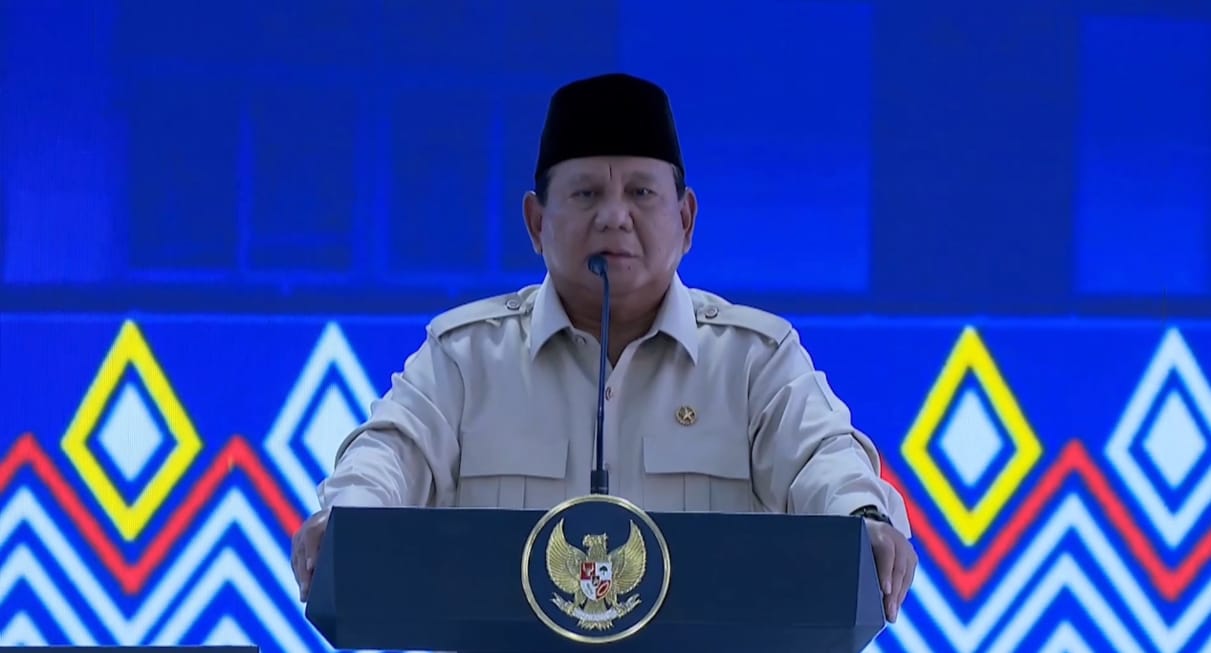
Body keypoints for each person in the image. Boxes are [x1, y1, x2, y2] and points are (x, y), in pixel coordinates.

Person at [291, 72, 916, 622]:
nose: (614, 216)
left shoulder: (753, 359)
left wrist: (862, 516)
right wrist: (346, 517)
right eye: (586, 193)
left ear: (686, 220)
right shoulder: (466, 357)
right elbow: (390, 452)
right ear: (537, 222)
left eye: (641, 193)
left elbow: (822, 458)